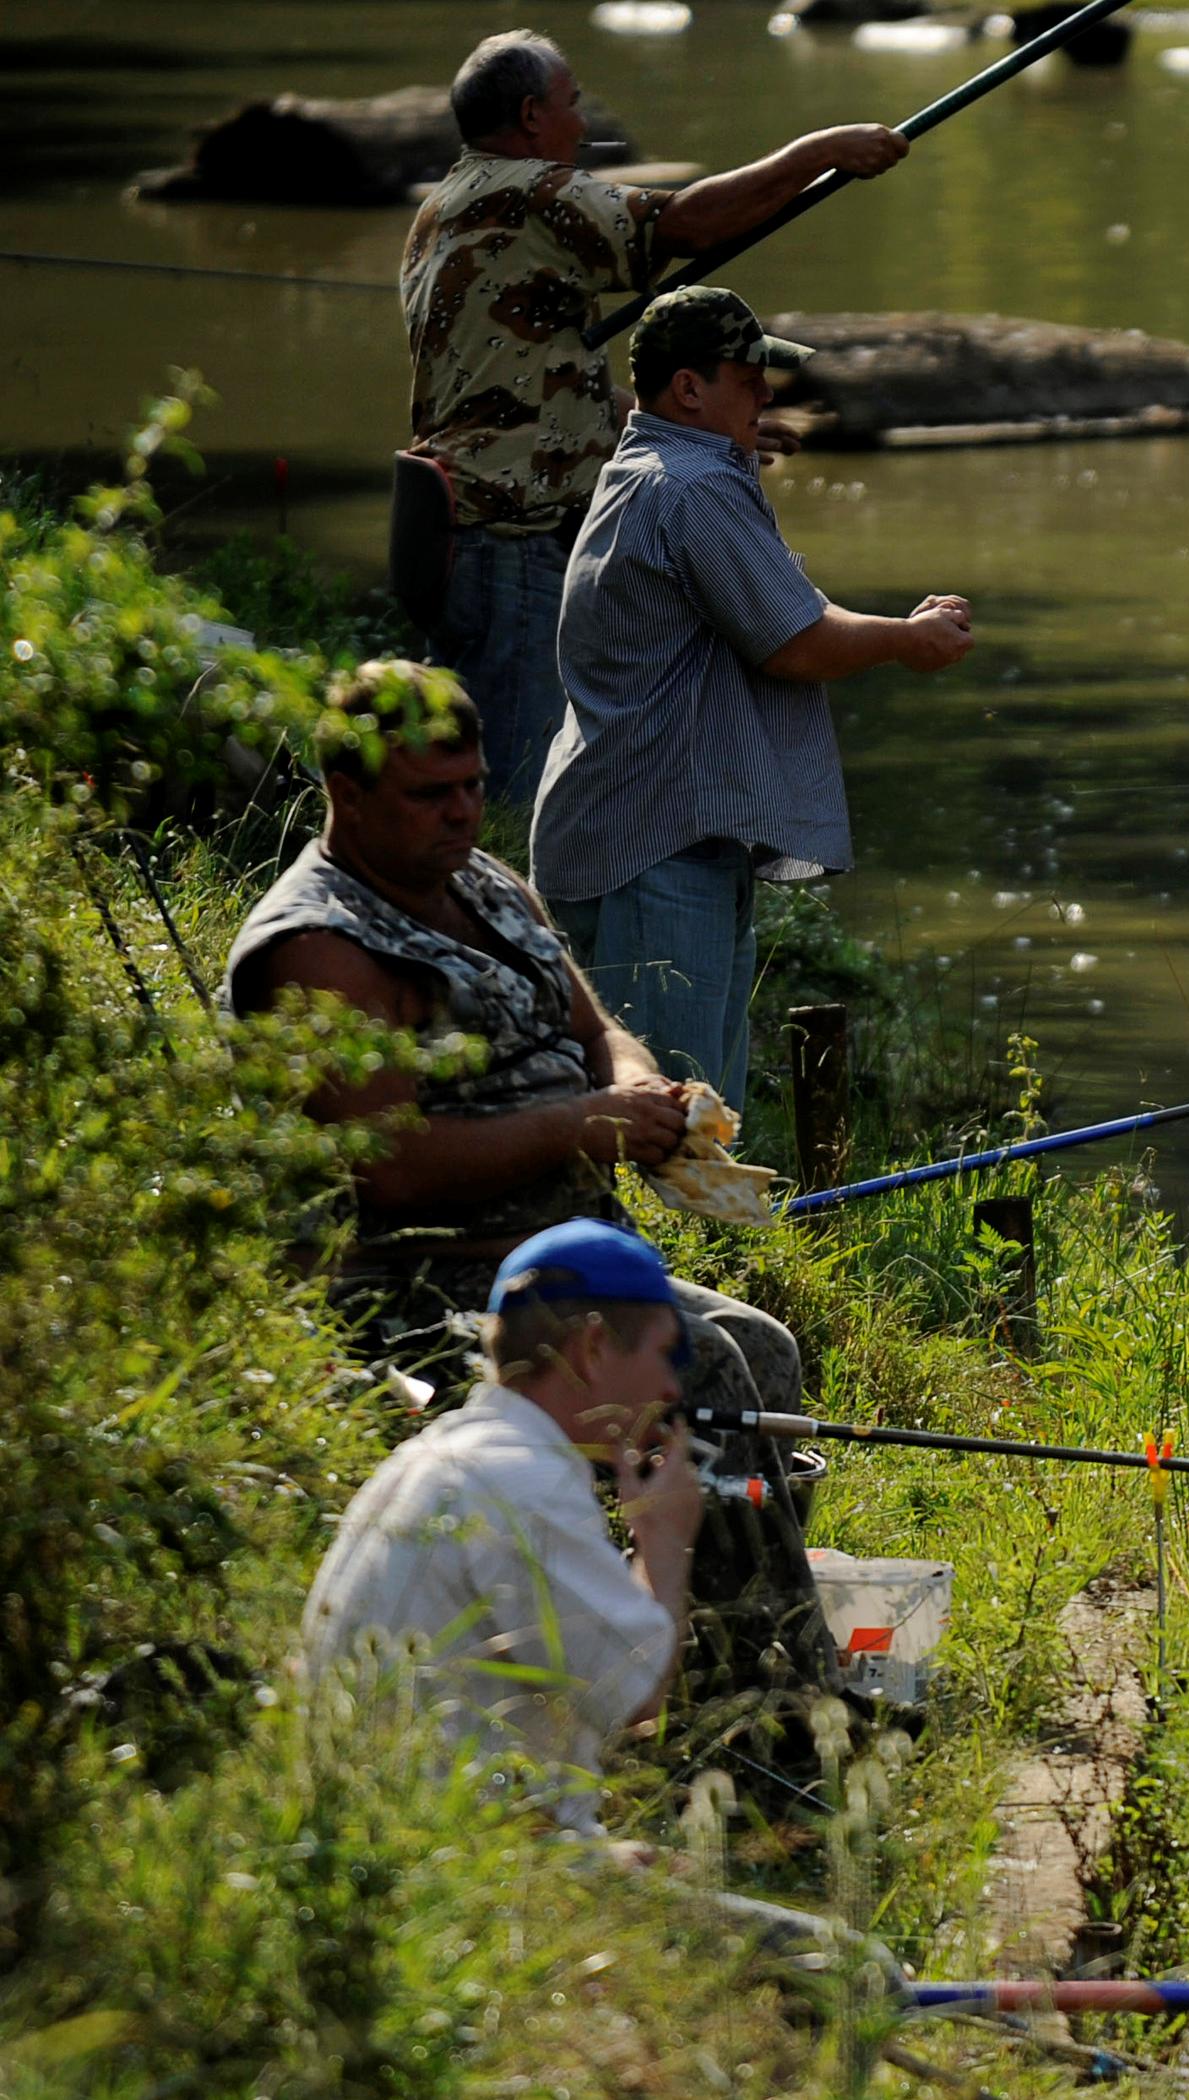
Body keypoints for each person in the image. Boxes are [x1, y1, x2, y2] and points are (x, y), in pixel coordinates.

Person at [223, 661, 837, 1718]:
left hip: (559, 1256)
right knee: (711, 1370)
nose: (462, 811)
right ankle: (764, 1711)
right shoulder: (316, 948)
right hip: (418, 1284)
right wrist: (578, 1126)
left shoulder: (483, 881)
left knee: (767, 1350)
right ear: (349, 793)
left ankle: (730, 1653)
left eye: (470, 783)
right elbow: (389, 1166)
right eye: (429, 793)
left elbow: (594, 1028)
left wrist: (643, 1093)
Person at [403, 28, 913, 801]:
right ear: (534, 115)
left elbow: (519, 385)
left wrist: (688, 421)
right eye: (573, 104)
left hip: (459, 531)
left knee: (476, 765)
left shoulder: (443, 209)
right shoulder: (528, 193)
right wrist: (820, 152)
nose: (584, 123)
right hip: (513, 538)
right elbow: (685, 225)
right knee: (506, 788)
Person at [532, 285, 973, 1104]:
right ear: (688, 390)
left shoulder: (653, 466)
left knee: (692, 1111)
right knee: (674, 1123)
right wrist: (907, 639)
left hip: (643, 835)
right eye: (746, 379)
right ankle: (675, 1238)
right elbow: (798, 643)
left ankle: (702, 1236)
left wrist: (733, 443)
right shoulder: (695, 490)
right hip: (656, 851)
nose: (766, 394)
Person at [301, 1220, 701, 1838]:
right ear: (592, 1350)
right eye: (662, 1353)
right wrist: (665, 1540)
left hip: (395, 1843)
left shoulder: (436, 1455)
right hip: (454, 1870)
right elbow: (639, 1699)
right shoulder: (526, 1483)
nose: (672, 1387)